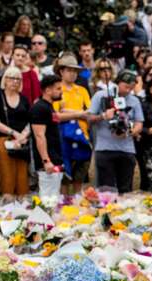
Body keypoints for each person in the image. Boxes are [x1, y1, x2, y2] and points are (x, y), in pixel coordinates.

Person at [88, 69, 144, 193]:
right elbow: (89, 118)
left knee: (125, 189)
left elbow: (139, 123)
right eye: (126, 87)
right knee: (106, 190)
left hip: (126, 149)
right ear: (118, 83)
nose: (128, 90)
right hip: (105, 149)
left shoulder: (134, 100)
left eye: (131, 88)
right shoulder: (100, 95)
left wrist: (129, 132)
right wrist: (103, 116)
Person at [31, 75, 89, 191]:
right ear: (48, 90)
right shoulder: (39, 108)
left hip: (55, 158)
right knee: (48, 196)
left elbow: (57, 118)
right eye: (58, 89)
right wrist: (46, 161)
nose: (61, 91)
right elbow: (39, 136)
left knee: (55, 196)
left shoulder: (49, 107)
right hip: (47, 162)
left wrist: (78, 113)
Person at [54, 54, 92, 194]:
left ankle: (77, 203)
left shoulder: (82, 90)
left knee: (79, 176)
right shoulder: (57, 90)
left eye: (75, 71)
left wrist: (68, 111)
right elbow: (56, 116)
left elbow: (90, 112)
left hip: (83, 136)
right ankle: (64, 204)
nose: (73, 74)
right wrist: (80, 114)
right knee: (64, 177)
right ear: (61, 71)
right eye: (69, 70)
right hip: (62, 138)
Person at [0, 67, 32, 196]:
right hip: (5, 140)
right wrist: (14, 133)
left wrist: (23, 136)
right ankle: (7, 203)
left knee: (22, 177)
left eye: (18, 79)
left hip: (22, 142)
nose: (15, 81)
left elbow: (30, 121)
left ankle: (23, 204)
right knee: (7, 176)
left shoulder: (24, 99)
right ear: (5, 80)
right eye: (12, 78)